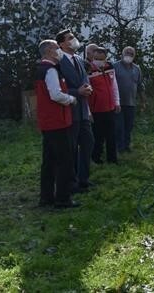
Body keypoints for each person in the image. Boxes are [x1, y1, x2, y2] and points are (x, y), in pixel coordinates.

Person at [35, 40, 79, 209]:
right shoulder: (50, 70)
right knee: (64, 161)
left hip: (48, 122)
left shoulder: (41, 69)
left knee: (49, 161)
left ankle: (46, 197)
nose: (59, 51)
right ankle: (62, 198)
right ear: (48, 52)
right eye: (56, 48)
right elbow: (55, 94)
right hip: (58, 121)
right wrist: (71, 99)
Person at [56, 28, 94, 193]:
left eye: (73, 37)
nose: (74, 40)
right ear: (62, 43)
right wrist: (76, 92)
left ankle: (83, 179)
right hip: (69, 111)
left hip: (83, 111)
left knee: (88, 143)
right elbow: (58, 88)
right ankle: (71, 183)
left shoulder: (78, 59)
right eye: (70, 38)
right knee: (71, 149)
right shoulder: (58, 61)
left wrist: (87, 87)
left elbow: (85, 79)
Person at [86, 47, 120, 164]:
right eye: (96, 58)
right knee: (98, 136)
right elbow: (86, 92)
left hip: (110, 107)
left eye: (101, 59)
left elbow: (114, 86)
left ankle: (112, 159)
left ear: (105, 58)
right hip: (96, 109)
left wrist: (117, 102)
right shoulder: (89, 70)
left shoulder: (110, 68)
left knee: (111, 135)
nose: (98, 61)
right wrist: (88, 112)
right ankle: (96, 158)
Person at [113, 46, 144, 153]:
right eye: (127, 53)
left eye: (131, 54)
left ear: (134, 56)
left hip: (131, 103)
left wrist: (143, 101)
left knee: (129, 126)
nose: (129, 55)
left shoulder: (137, 68)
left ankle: (126, 146)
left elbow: (140, 85)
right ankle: (119, 147)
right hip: (118, 103)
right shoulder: (114, 66)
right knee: (119, 127)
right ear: (122, 54)